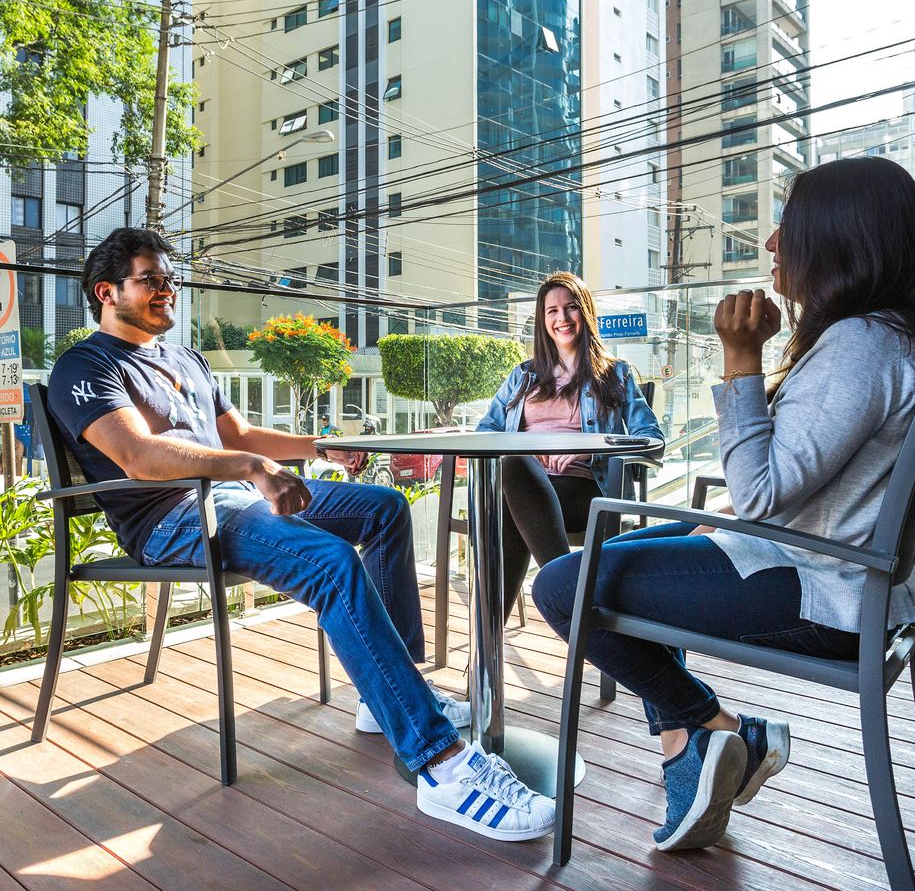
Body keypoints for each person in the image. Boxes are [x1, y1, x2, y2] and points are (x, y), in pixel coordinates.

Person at [46, 227, 555, 842]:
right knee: (332, 562)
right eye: (150, 279)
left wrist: (321, 448)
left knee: (385, 508)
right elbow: (138, 456)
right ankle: (442, 767)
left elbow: (242, 436)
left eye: (168, 277)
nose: (167, 288)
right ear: (108, 291)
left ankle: (389, 694)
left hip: (233, 496)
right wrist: (252, 470)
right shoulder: (86, 364)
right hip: (173, 519)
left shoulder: (183, 359)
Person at [532, 156, 915, 852]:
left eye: (785, 227)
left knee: (561, 585)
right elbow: (793, 489)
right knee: (617, 565)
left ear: (834, 238)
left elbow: (758, 492)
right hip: (831, 569)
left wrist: (738, 357)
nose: (770, 246)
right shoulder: (896, 339)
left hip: (822, 588)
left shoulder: (860, 346)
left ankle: (718, 731)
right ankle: (693, 750)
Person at [476, 271, 663, 618]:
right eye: (552, 311)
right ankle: (573, 606)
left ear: (585, 314)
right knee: (516, 469)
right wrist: (530, 454)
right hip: (527, 486)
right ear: (542, 320)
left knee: (508, 494)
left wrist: (587, 447)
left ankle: (495, 643)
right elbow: (485, 431)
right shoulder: (523, 375)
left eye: (570, 308)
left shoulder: (615, 373)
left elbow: (652, 440)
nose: (562, 318)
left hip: (588, 489)